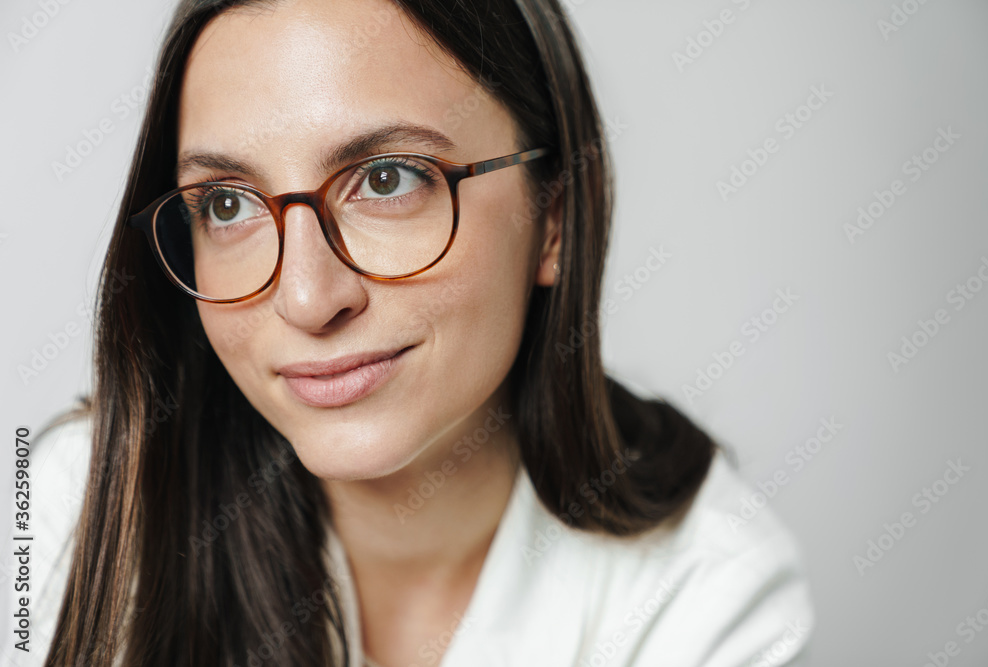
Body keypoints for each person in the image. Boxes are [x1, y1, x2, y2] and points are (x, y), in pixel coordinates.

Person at [20, 0, 814, 665]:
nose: (305, 297)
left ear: (556, 218)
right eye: (227, 202)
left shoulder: (707, 591)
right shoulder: (73, 509)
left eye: (387, 178)